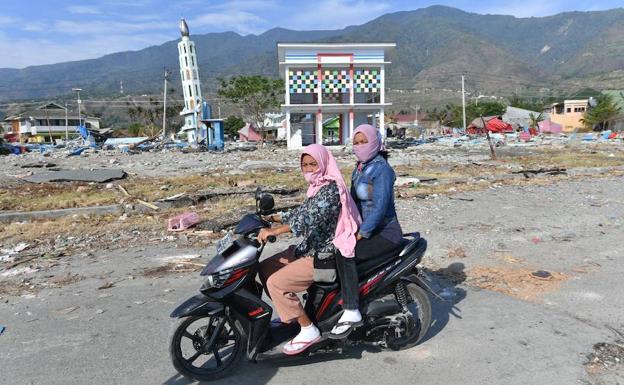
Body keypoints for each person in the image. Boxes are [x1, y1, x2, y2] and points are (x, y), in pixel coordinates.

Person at [258, 144, 360, 355]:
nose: (309, 169)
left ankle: (307, 329)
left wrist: (276, 230)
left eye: (313, 164)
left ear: (323, 163)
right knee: (265, 267)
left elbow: (307, 219)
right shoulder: (317, 187)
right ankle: (293, 314)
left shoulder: (331, 189)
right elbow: (302, 211)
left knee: (275, 283)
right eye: (304, 165)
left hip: (323, 254)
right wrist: (273, 218)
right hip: (308, 247)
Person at [330, 124, 404, 338]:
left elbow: (380, 207)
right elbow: (352, 203)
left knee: (346, 252)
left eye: (365, 141)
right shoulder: (359, 169)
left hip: (385, 232)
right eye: (356, 142)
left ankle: (352, 309)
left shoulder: (382, 169)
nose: (360, 146)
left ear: (376, 142)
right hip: (364, 228)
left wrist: (361, 233)